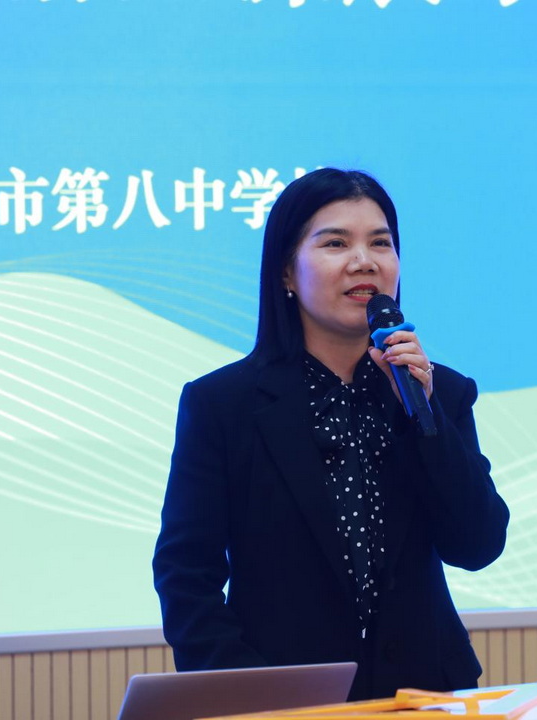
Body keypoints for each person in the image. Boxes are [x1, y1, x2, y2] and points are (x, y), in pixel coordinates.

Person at [152, 168, 509, 700]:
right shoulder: (223, 404)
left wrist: (426, 417)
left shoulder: (440, 393)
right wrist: (247, 694)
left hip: (426, 695)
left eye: (380, 243)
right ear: (286, 273)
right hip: (283, 702)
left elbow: (477, 545)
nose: (364, 261)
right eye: (336, 243)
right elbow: (186, 575)